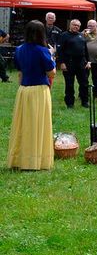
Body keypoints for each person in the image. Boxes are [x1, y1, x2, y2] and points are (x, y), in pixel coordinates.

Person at [8, 21, 56, 170]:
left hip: (24, 90)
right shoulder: (42, 51)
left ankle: (19, 158)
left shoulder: (19, 49)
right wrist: (52, 56)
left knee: (23, 124)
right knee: (38, 124)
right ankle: (36, 160)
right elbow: (51, 73)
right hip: (39, 90)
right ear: (42, 33)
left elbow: (20, 73)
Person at [57, 19, 91, 108]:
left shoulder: (82, 35)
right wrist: (62, 63)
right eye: (74, 25)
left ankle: (85, 102)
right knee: (69, 84)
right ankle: (70, 103)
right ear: (70, 25)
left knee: (84, 83)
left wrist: (88, 61)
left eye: (78, 26)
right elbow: (60, 51)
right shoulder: (64, 35)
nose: (76, 27)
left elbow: (85, 49)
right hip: (69, 63)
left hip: (81, 63)